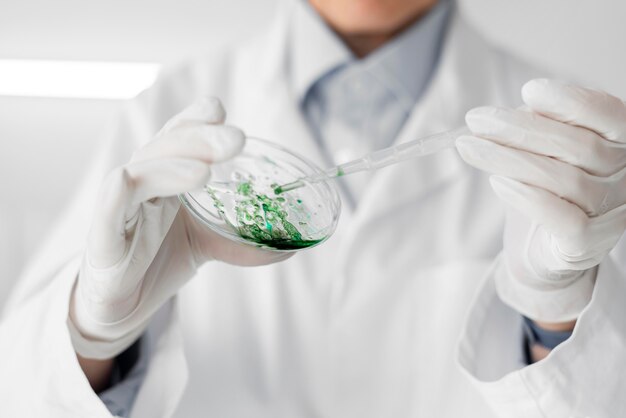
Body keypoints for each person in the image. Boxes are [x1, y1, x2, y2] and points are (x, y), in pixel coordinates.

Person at [1, 0, 625, 416]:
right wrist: (96, 331)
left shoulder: (574, 143)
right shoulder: (163, 106)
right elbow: (21, 394)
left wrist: (557, 319)